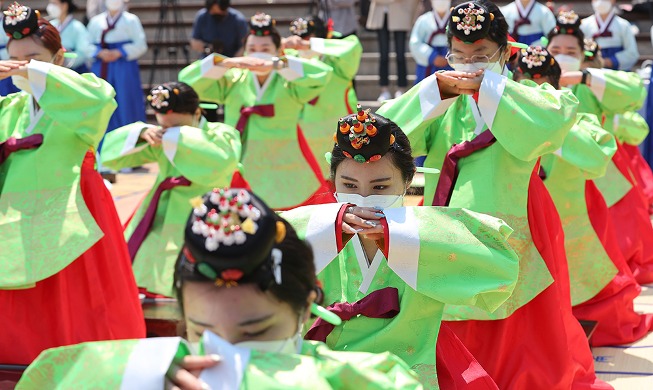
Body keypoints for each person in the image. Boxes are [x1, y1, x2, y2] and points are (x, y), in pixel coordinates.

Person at [377, 2, 610, 388]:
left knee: (518, 319)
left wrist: (490, 89)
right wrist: (434, 90)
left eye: (482, 56)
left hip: (513, 219)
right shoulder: (445, 102)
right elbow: (389, 135)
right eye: (460, 56)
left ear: (505, 52)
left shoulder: (525, 96)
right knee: (451, 308)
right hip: (449, 227)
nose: (470, 65)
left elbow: (550, 124)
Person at [16, 188, 424, 390]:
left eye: (255, 333)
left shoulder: (365, 380)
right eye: (200, 332)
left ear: (306, 309)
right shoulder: (144, 377)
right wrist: (136, 374)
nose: (223, 354)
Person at [280, 109, 520, 388]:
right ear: (333, 182)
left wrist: (400, 234)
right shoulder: (312, 229)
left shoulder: (427, 232)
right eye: (349, 185)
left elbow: (501, 271)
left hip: (411, 374)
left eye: (380, 186)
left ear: (407, 182)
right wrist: (327, 226)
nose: (364, 198)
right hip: (328, 374)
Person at [0, 2, 144, 366]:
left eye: (33, 58)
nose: (22, 68)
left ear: (59, 58)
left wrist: (39, 76)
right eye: (14, 60)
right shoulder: (11, 108)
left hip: (71, 214)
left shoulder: (83, 93)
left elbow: (99, 101)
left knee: (76, 307)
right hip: (14, 221)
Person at [514, 46, 653, 347]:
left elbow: (628, 107)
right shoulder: (504, 117)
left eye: (570, 49)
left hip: (576, 199)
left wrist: (588, 80)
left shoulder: (576, 110)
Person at [100, 82, 242, 297]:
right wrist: (141, 132)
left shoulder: (221, 133)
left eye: (177, 127)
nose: (168, 132)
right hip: (161, 208)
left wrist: (175, 137)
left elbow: (222, 161)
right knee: (143, 264)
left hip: (208, 209)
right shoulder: (160, 136)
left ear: (197, 112)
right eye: (164, 126)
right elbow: (112, 158)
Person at [179, 13, 333, 210]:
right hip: (242, 163)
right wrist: (225, 63)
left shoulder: (288, 80)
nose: (258, 54)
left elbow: (322, 74)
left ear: (278, 51)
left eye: (265, 49)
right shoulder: (234, 78)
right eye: (252, 49)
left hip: (284, 164)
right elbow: (187, 80)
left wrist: (276, 64)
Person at [547, 10, 653, 285]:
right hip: (549, 179)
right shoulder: (532, 85)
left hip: (594, 177)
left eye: (571, 50)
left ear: (583, 56)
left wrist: (586, 77)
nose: (563, 54)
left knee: (602, 247)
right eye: (555, 49)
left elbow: (634, 96)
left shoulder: (591, 86)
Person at [284, 16, 363, 179]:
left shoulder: (338, 59)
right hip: (302, 132)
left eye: (307, 39)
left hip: (339, 130)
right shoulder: (291, 58)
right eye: (298, 40)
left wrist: (311, 45)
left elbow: (353, 46)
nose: (301, 44)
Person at [86, 0, 147, 133]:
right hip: (102, 64)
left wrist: (120, 52)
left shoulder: (131, 20)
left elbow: (141, 44)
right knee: (102, 100)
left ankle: (130, 135)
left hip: (124, 65)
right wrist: (99, 52)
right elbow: (86, 44)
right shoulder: (96, 21)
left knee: (126, 100)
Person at [366, 0, 420, 101]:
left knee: (400, 55)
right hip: (381, 15)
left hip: (401, 13)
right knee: (383, 56)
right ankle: (384, 89)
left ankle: (401, 88)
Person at [580, 0, 639, 71]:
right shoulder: (584, 25)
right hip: (592, 71)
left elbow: (632, 53)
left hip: (617, 73)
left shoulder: (623, 25)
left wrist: (609, 61)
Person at [410, 0, 452, 84]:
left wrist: (452, 55)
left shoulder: (456, 20)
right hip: (428, 64)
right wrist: (432, 56)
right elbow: (415, 43)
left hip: (451, 61)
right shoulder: (423, 20)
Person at [47, 0, 90, 73]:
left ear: (65, 5)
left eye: (54, 3)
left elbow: (83, 52)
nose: (51, 6)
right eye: (50, 3)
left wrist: (64, 61)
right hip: (53, 70)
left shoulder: (77, 27)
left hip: (74, 71)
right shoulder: (50, 25)